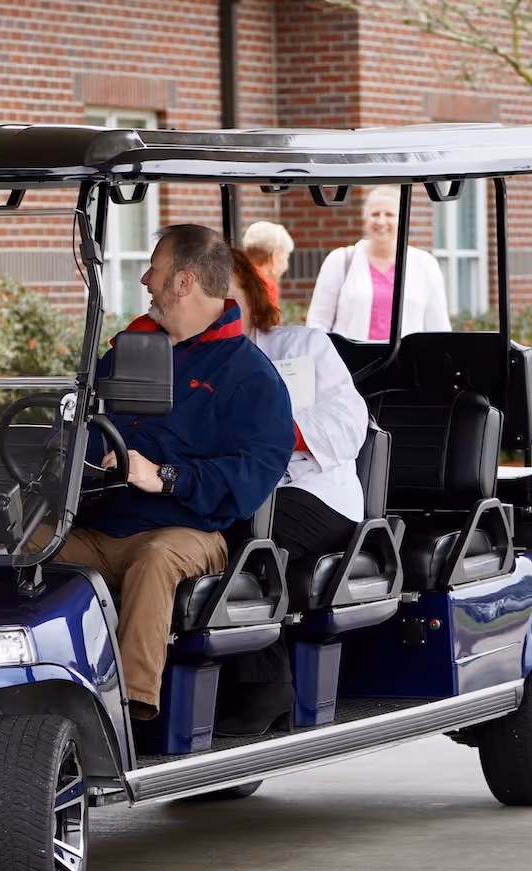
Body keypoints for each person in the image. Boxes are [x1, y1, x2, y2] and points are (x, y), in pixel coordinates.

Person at [32, 225, 296, 722]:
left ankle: (128, 714)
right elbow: (77, 427)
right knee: (21, 541)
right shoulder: (129, 353)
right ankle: (11, 690)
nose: (146, 281)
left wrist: (165, 476)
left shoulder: (252, 377)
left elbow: (251, 478)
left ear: (184, 282)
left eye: (154, 269)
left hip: (188, 531)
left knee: (154, 559)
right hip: (97, 523)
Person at [214, 248, 370, 735]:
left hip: (315, 492)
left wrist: (273, 431)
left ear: (252, 297)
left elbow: (349, 425)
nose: (221, 309)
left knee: (247, 537)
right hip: (235, 490)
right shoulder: (189, 363)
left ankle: (267, 686)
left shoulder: (301, 347)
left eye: (229, 298)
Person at [306, 185, 450, 339]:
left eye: (389, 214)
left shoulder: (425, 264)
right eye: (375, 214)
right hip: (351, 361)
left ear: (402, 219)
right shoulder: (340, 261)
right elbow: (317, 323)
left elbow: (438, 329)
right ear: (365, 219)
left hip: (407, 361)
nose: (381, 221)